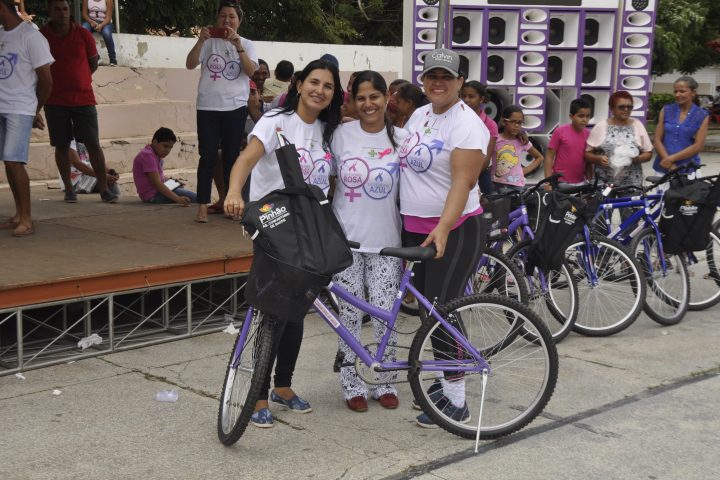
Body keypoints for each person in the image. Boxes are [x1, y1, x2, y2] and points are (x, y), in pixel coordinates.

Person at [224, 59, 344, 428]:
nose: (319, 90)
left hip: (311, 231)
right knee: (272, 311)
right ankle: (258, 395)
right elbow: (245, 160)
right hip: (275, 228)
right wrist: (234, 192)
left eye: (327, 86)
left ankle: (283, 386)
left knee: (296, 310)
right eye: (314, 82)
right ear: (299, 84)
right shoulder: (276, 121)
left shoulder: (327, 129)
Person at [397, 48, 489, 427]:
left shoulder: (467, 124)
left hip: (454, 229)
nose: (438, 82)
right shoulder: (420, 114)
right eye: (431, 75)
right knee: (428, 309)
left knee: (440, 310)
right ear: (423, 80)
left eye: (446, 77)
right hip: (418, 228)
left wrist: (444, 226)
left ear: (459, 82)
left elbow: (463, 182)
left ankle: (457, 400)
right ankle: (448, 379)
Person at [330, 70, 407, 412]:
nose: (368, 104)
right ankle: (351, 384)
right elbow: (328, 180)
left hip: (387, 242)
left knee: (384, 315)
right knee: (348, 315)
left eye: (374, 97)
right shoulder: (341, 135)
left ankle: (384, 380)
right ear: (353, 101)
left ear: (387, 98)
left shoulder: (402, 139)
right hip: (346, 242)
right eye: (360, 98)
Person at [186, 1, 258, 223]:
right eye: (223, 16)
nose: (227, 20)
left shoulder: (247, 43)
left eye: (232, 17)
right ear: (217, 18)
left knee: (231, 157)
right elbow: (190, 64)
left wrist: (238, 46)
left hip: (235, 107)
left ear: (239, 21)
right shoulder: (207, 41)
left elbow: (250, 71)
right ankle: (202, 205)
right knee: (207, 157)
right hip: (207, 106)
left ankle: (230, 203)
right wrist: (200, 40)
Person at [41, 0, 118, 204]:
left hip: (83, 98)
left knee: (93, 144)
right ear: (49, 12)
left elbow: (93, 63)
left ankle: (104, 189)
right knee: (61, 145)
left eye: (65, 9)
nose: (62, 13)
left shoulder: (83, 34)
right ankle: (69, 189)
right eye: (57, 9)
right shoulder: (41, 36)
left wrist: (81, 79)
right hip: (54, 100)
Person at [0, 0, 53, 236]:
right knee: (8, 162)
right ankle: (18, 214)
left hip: (20, 108)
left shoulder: (31, 37)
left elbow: (46, 81)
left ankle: (27, 218)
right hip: (2, 106)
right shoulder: (2, 34)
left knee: (14, 162)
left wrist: (34, 109)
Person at [585, 91, 652, 188]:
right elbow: (587, 154)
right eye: (621, 107)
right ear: (612, 108)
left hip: (631, 184)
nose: (626, 109)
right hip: (604, 183)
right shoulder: (601, 126)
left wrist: (635, 159)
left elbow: (648, 153)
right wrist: (598, 159)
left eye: (629, 107)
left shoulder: (638, 125)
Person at [652, 76, 709, 176]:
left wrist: (671, 159)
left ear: (693, 92)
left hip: (688, 169)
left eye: (682, 91)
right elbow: (657, 139)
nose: (678, 94)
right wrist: (668, 162)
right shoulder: (666, 110)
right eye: (675, 91)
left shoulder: (702, 115)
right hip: (663, 167)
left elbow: (698, 146)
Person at [132, 127, 196, 205]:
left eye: (170, 148)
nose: (168, 151)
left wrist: (174, 182)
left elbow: (158, 177)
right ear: (155, 142)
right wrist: (178, 199)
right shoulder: (147, 155)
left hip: (156, 192)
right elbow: (157, 183)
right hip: (153, 196)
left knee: (195, 196)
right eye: (165, 146)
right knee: (197, 198)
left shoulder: (155, 155)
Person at [491, 105, 544, 193]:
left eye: (519, 123)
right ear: (504, 122)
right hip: (496, 184)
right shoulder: (495, 139)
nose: (516, 125)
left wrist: (524, 170)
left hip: (516, 186)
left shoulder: (522, 141)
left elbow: (539, 157)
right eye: (513, 122)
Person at [544, 98, 593, 186]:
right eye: (581, 116)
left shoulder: (589, 135)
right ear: (571, 116)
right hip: (560, 182)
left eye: (588, 116)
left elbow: (589, 162)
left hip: (581, 183)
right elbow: (549, 157)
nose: (585, 119)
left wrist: (590, 182)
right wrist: (548, 183)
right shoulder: (559, 132)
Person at [461, 81, 498, 194]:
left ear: (481, 99)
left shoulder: (490, 125)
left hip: (480, 175)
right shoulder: (453, 119)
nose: (466, 100)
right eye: (463, 96)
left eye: (471, 96)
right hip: (454, 172)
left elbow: (486, 159)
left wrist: (466, 178)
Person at [81, 0, 116, 66]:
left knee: (106, 33)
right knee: (84, 30)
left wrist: (101, 25)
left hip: (105, 23)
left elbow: (108, 18)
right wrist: (91, 22)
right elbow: (84, 14)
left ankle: (113, 60)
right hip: (91, 22)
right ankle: (97, 57)